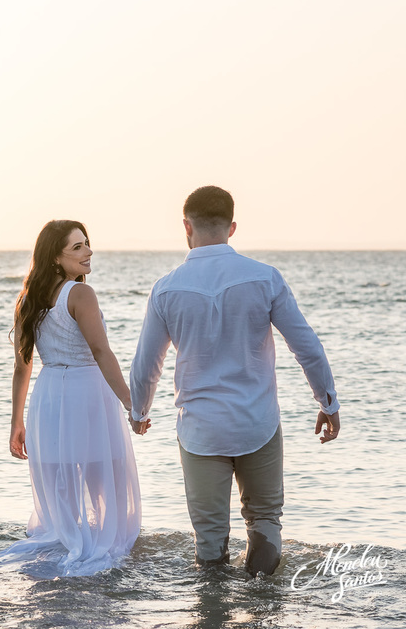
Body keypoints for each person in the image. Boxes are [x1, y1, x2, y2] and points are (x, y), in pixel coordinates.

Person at [129, 186, 340, 577]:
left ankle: (212, 612)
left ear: (186, 226)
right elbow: (306, 346)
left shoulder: (166, 288)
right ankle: (263, 609)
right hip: (256, 421)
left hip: (200, 430)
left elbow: (147, 364)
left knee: (208, 538)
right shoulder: (265, 278)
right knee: (264, 521)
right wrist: (327, 403)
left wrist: (139, 411)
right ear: (233, 227)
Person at [0, 219, 144, 577]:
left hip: (48, 396)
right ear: (55, 257)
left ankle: (68, 538)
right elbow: (102, 352)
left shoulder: (27, 300)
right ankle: (100, 544)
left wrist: (16, 424)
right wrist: (133, 404)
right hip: (87, 393)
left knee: (60, 479)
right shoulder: (81, 294)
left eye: (87, 243)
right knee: (103, 475)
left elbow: (22, 368)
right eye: (78, 247)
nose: (89, 252)